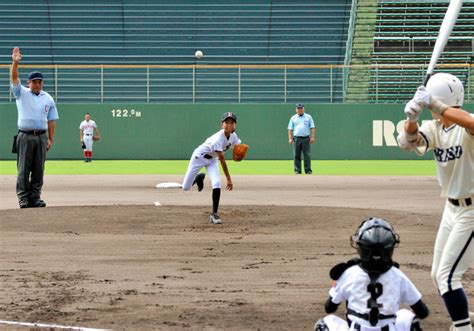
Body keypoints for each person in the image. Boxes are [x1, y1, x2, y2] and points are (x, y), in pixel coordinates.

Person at [398, 73, 474, 331]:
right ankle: (466, 315)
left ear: (439, 100)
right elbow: (408, 143)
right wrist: (411, 119)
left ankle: (463, 327)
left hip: (472, 211)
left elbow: (470, 122)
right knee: (437, 275)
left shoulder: (466, 126)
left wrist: (434, 104)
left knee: (448, 277)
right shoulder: (436, 128)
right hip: (451, 208)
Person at [314, 217, 430, 331]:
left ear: (361, 247)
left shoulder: (349, 274)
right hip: (388, 329)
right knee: (406, 316)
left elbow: (329, 308)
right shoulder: (398, 275)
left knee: (326, 322)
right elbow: (423, 312)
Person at [10, 47, 59, 209]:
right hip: (25, 135)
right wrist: (15, 63)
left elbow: (51, 120)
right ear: (28, 82)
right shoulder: (21, 93)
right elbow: (14, 78)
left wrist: (51, 138)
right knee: (23, 169)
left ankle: (35, 197)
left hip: (41, 136)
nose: (37, 84)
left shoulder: (48, 98)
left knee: (39, 169)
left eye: (40, 81)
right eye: (34, 81)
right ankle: (23, 198)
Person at [182, 112, 241, 224]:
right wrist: (228, 179)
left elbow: (237, 146)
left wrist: (239, 153)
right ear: (221, 124)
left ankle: (214, 214)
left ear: (235, 125)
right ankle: (198, 178)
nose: (229, 124)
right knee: (185, 187)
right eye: (226, 122)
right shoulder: (218, 138)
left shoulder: (233, 136)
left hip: (212, 160)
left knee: (217, 183)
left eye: (231, 122)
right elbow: (222, 160)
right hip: (199, 157)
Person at [287, 103, 315, 174]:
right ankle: (297, 170)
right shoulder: (293, 118)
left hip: (306, 138)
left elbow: (312, 127)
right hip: (296, 138)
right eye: (298, 108)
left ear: (303, 109)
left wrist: (312, 137)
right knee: (296, 155)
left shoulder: (308, 117)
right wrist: (290, 138)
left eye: (301, 108)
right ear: (296, 109)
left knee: (307, 155)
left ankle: (308, 170)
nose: (300, 110)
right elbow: (290, 129)